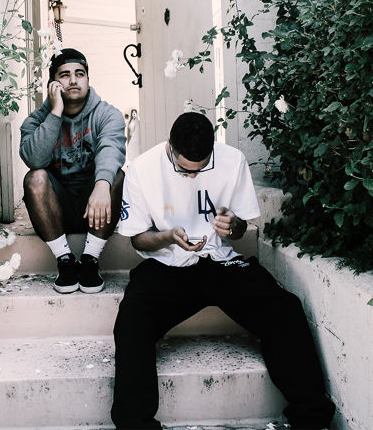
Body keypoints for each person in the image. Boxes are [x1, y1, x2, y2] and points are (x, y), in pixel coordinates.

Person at [111, 112, 335, 429]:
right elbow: (138, 238)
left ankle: (312, 419)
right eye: (184, 169)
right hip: (167, 264)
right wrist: (167, 236)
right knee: (132, 317)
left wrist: (233, 225)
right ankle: (135, 425)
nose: (192, 176)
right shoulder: (142, 169)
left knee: (284, 307)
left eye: (200, 169)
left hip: (220, 260)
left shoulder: (233, 160)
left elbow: (241, 230)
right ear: (169, 146)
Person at [19, 48, 126, 294]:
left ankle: (90, 259)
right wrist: (55, 112)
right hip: (55, 211)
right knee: (35, 178)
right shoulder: (35, 121)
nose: (74, 80)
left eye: (80, 73)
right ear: (53, 84)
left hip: (96, 205)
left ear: (88, 79)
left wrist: (102, 184)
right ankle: (65, 261)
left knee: (115, 176)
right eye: (65, 75)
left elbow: (111, 149)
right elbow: (34, 159)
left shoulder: (107, 114)